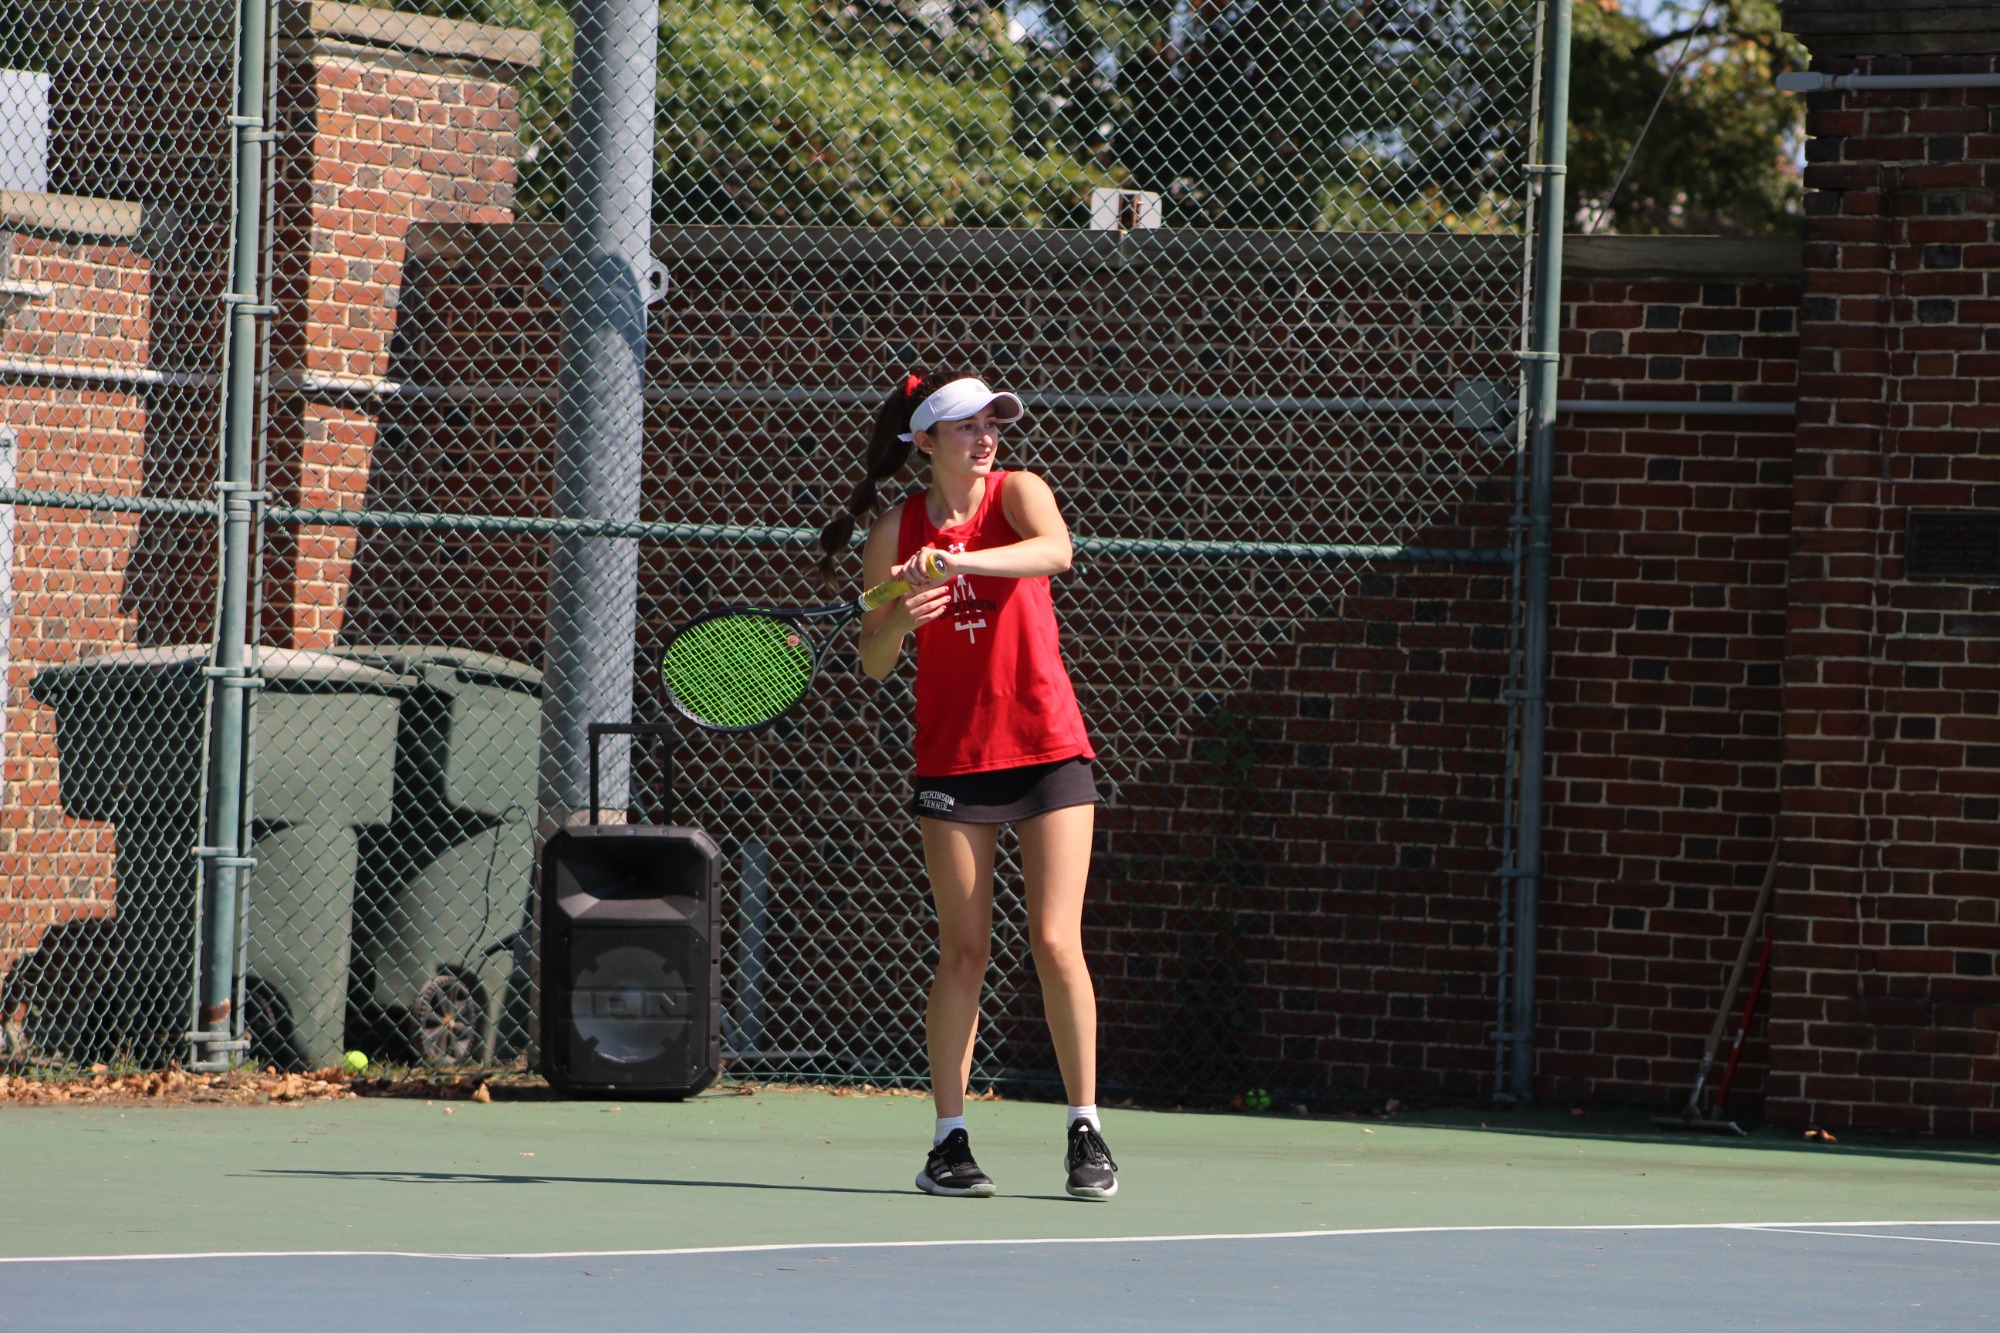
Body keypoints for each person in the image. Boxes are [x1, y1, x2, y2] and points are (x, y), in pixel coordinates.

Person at [816, 369, 1117, 1201]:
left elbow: (1057, 551)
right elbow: (873, 663)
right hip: (953, 759)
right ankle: (949, 1142)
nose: (986, 438)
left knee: (1058, 941)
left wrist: (960, 558)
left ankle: (1085, 1130)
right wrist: (900, 618)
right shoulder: (894, 530)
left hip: (1050, 747)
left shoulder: (1020, 492)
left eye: (993, 424)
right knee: (966, 947)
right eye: (966, 427)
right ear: (926, 442)